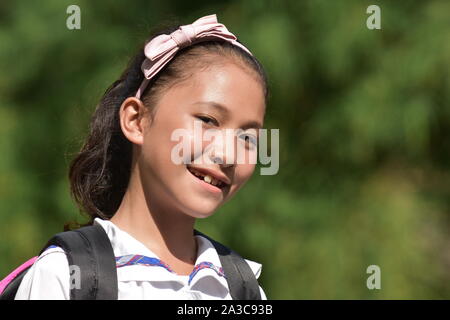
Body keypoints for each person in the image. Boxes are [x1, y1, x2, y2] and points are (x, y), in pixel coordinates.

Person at [15, 13, 269, 300]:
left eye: (248, 138)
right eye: (208, 120)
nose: (228, 154)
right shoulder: (67, 274)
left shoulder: (242, 289)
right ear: (136, 120)